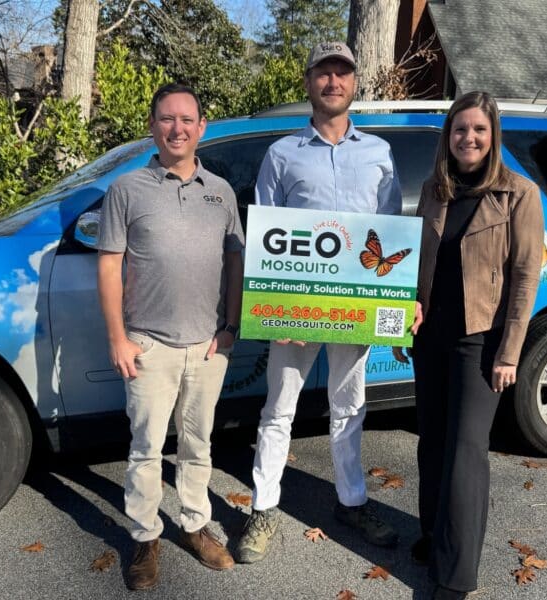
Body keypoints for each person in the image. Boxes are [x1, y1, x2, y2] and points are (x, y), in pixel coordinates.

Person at [236, 41, 404, 564]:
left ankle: (352, 502)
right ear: (308, 82)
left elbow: (390, 230)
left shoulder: (379, 152)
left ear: (354, 84)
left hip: (353, 307)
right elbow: (265, 236)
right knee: (278, 409)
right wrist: (274, 308)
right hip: (295, 310)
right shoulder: (282, 153)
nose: (333, 81)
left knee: (349, 407)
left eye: (343, 73)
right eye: (324, 72)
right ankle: (264, 507)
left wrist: (385, 310)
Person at [393, 91, 544, 599]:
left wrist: (510, 352)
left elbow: (525, 277)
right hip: (432, 336)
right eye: (460, 130)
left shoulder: (518, 195)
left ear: (492, 136)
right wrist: (408, 311)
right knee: (432, 441)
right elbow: (418, 261)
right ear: (449, 136)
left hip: (481, 341)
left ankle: (457, 577)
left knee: (465, 452)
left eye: (478, 130)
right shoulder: (436, 190)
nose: (469, 138)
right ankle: (436, 536)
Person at [96, 82, 244, 591]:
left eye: (187, 119)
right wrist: (118, 338)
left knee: (199, 444)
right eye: (167, 118)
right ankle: (144, 535)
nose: (177, 128)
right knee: (146, 448)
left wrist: (230, 329)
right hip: (149, 345)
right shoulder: (126, 190)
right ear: (153, 125)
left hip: (207, 345)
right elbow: (110, 265)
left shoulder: (221, 191)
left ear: (202, 127)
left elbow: (235, 262)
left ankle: (195, 524)